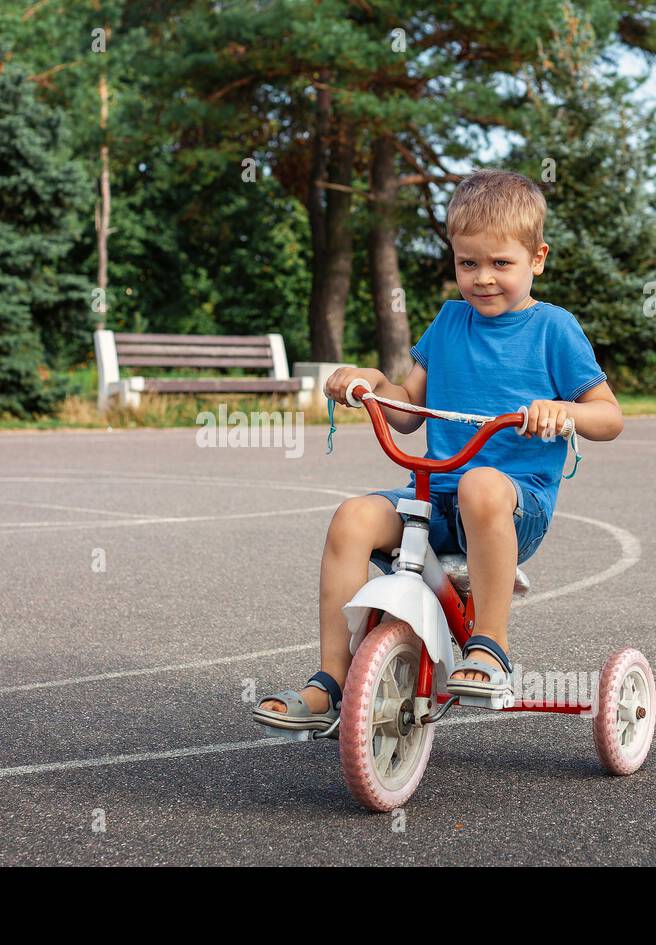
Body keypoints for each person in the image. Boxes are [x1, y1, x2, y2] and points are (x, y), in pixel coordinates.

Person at [253, 168, 624, 731]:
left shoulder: (555, 329)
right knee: (352, 517)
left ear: (537, 259)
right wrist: (373, 383)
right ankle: (330, 680)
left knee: (481, 483)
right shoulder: (450, 322)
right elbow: (407, 411)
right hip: (435, 496)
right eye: (467, 263)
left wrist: (564, 412)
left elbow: (610, 417)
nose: (482, 278)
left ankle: (490, 646)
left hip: (511, 504)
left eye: (501, 263)